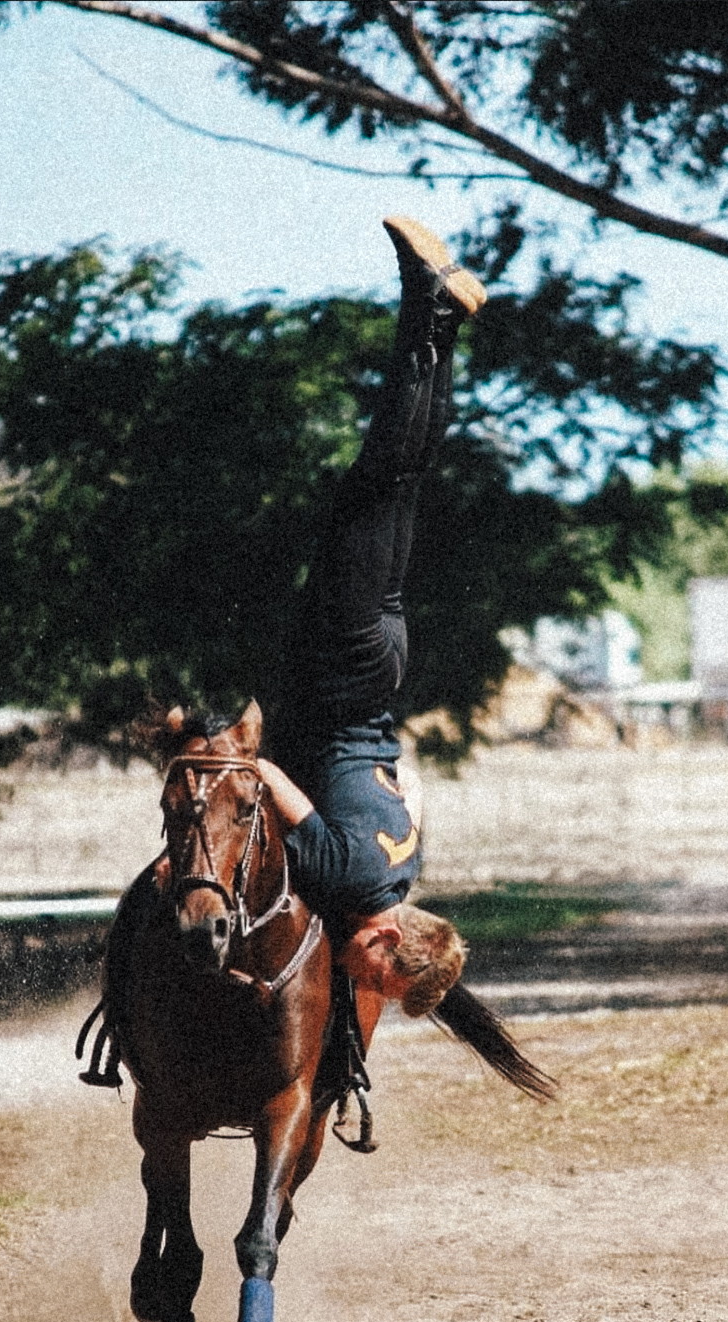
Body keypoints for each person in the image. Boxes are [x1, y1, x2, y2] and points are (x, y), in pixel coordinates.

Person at [258, 217, 486, 1018]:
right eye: (370, 976)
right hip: (343, 665)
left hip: (382, 674)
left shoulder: (398, 867)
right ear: (389, 940)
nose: (357, 980)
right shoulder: (349, 881)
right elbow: (265, 779)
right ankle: (423, 305)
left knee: (405, 478)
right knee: (378, 474)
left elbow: (411, 786)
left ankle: (446, 319)